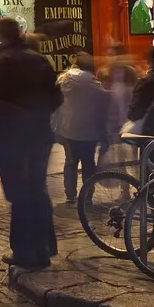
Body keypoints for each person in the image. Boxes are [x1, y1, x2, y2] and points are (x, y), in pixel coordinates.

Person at [0, 18, 61, 270]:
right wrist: (37, 114)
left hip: (13, 134)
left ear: (1, 34)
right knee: (37, 188)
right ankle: (44, 247)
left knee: (19, 193)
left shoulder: (3, 61)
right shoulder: (38, 59)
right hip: (39, 133)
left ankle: (24, 251)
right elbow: (56, 97)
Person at [52, 53, 112, 205]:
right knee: (88, 162)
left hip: (68, 127)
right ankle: (87, 195)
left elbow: (54, 100)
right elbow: (104, 100)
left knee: (70, 161)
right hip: (88, 128)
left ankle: (70, 194)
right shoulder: (94, 83)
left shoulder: (63, 79)